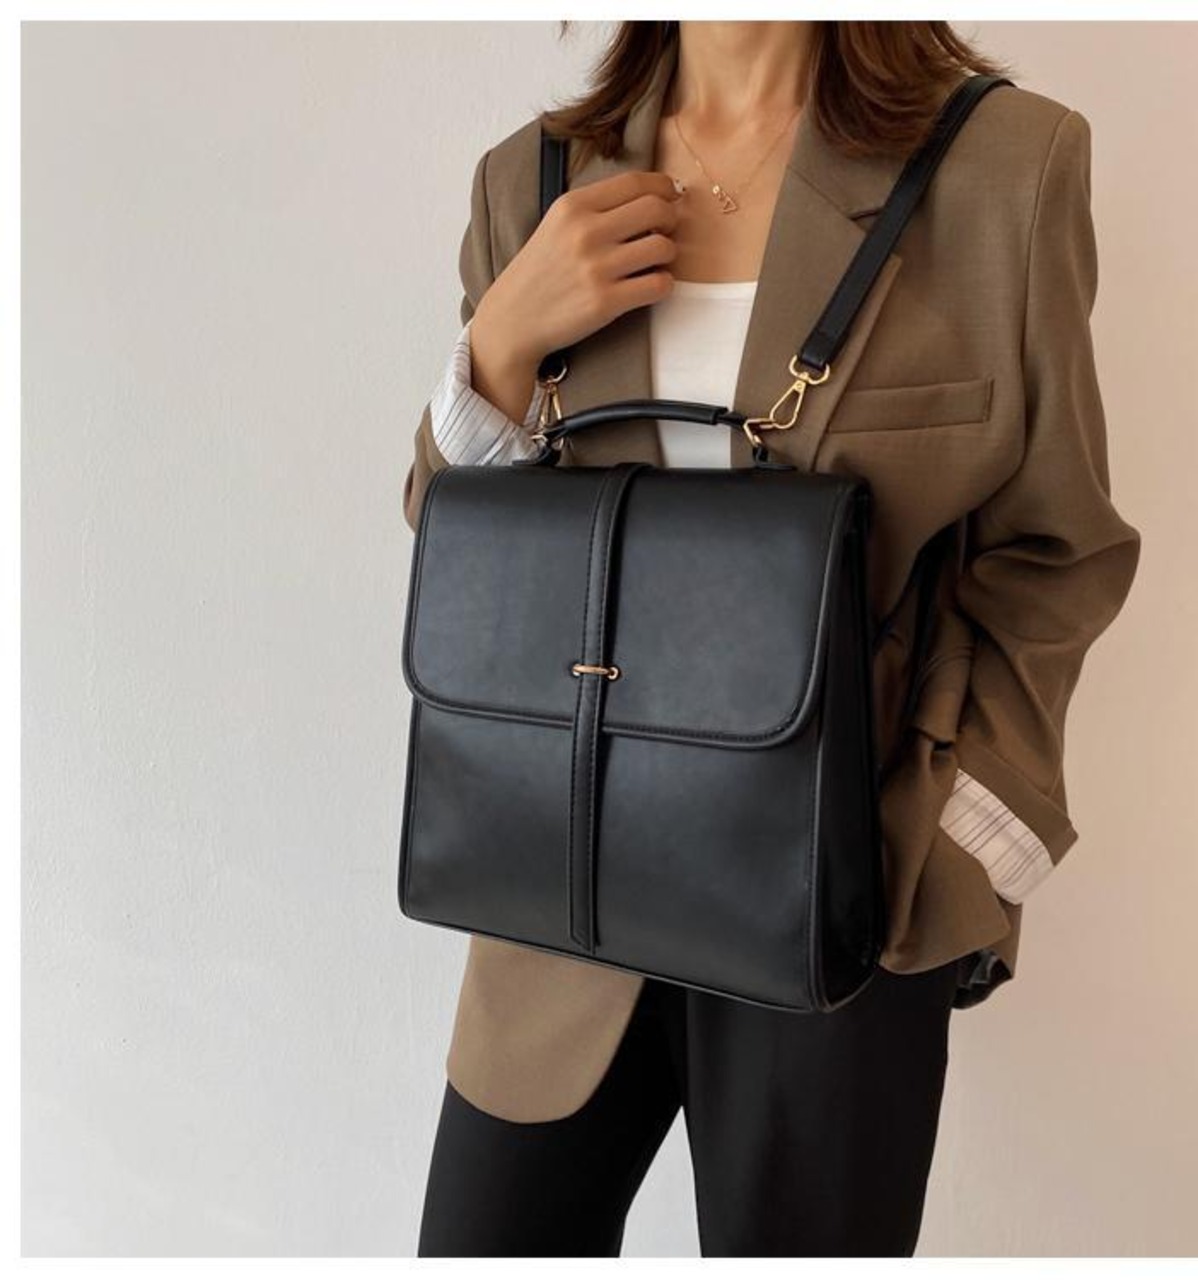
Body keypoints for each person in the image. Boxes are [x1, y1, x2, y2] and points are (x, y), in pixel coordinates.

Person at [400, 19, 1142, 1257]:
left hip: (844, 903)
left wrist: (962, 844)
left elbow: (1054, 550)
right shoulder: (528, 180)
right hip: (556, 899)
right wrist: (499, 344)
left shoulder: (1002, 165)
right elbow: (458, 548)